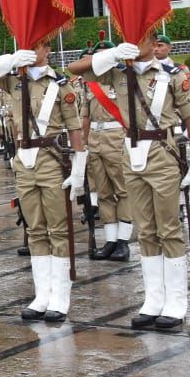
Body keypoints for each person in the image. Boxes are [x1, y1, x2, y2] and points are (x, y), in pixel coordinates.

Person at [68, 32, 190, 329]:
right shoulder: (119, 71)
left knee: (168, 227)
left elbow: (189, 116)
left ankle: (176, 301)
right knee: (145, 229)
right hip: (130, 152)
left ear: (154, 44)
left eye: (142, 40)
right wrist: (113, 54)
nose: (137, 44)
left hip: (162, 151)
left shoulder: (173, 74)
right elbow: (75, 69)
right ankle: (154, 299)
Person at [0, 40, 86, 322]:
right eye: (28, 47)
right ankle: (41, 294)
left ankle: (60, 296)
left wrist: (80, 164)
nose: (33, 52)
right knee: (35, 229)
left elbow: (74, 127)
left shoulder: (60, 84)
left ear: (48, 50)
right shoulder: (15, 80)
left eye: (38, 47)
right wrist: (10, 59)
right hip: (25, 160)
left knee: (57, 229)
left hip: (52, 158)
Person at [80, 36, 132, 261]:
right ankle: (110, 240)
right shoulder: (89, 82)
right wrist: (83, 144)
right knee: (103, 192)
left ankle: (123, 241)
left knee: (122, 190)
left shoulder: (122, 78)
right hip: (95, 139)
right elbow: (85, 116)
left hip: (116, 137)